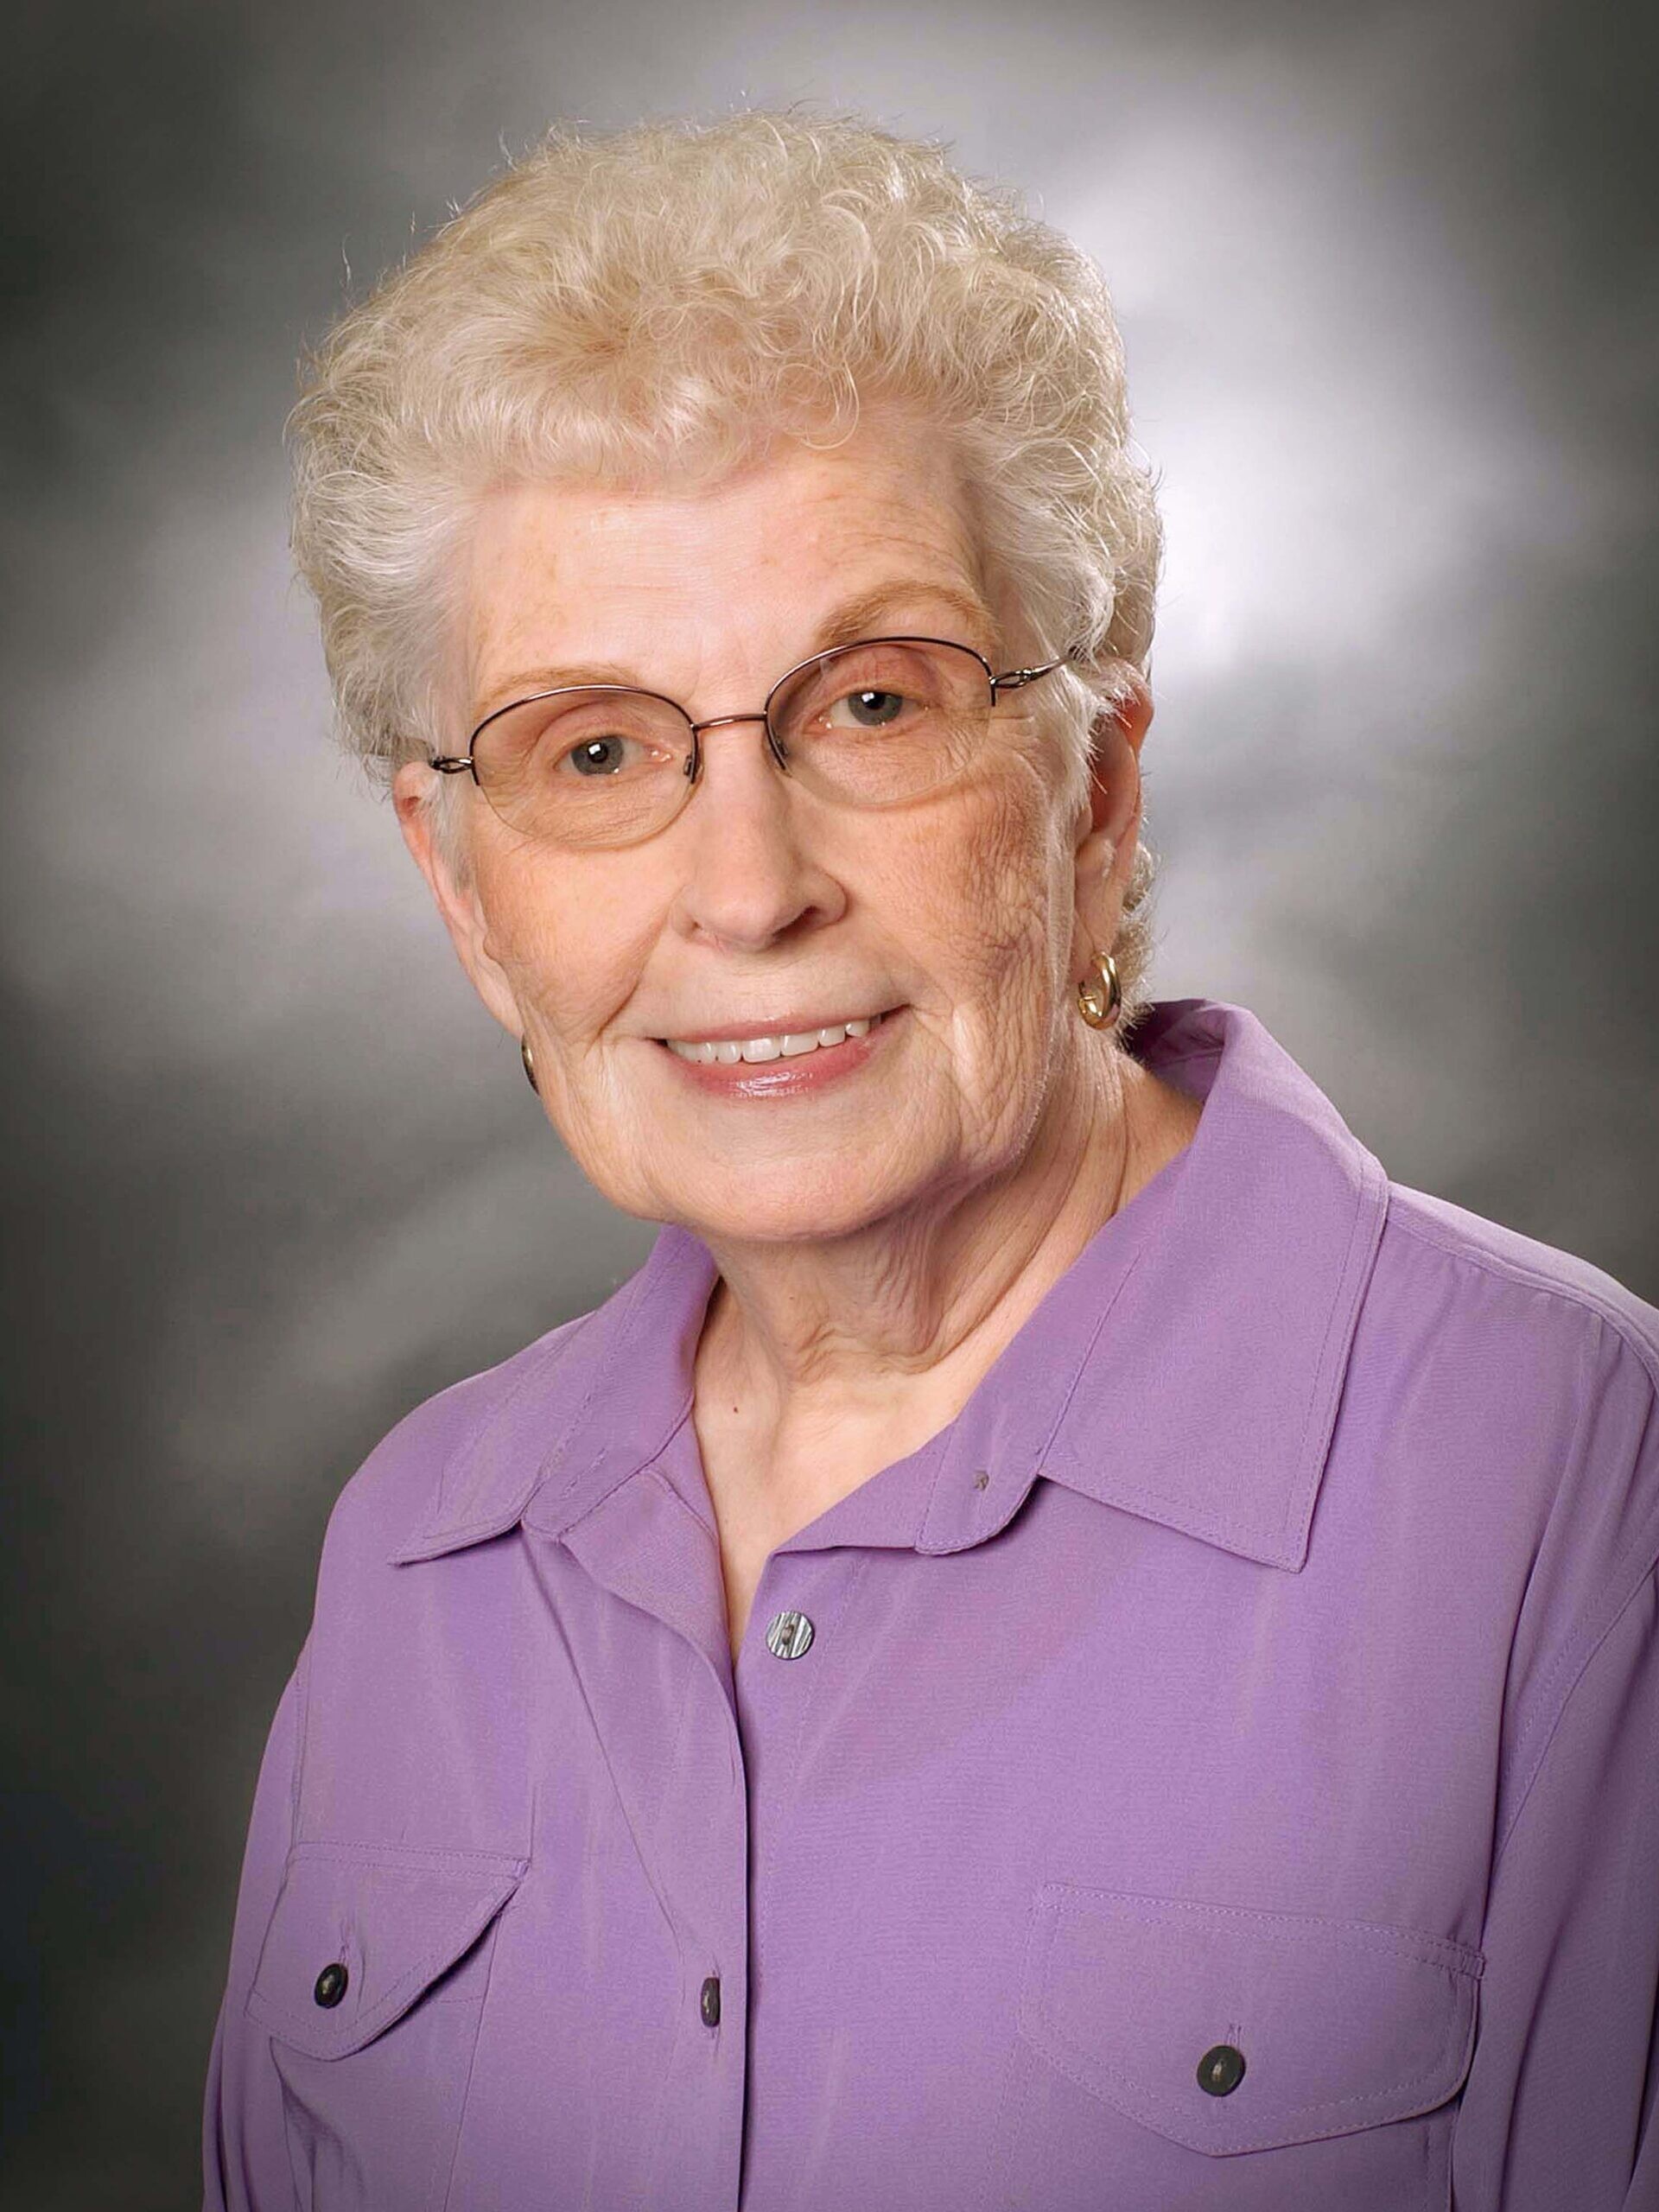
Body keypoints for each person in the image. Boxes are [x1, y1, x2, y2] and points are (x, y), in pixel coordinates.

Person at [202, 109, 1659, 2211]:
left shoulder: (1566, 1475)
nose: (747, 886)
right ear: (459, 882)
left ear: (1092, 787)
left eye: (871, 704)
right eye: (593, 749)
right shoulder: (419, 1555)